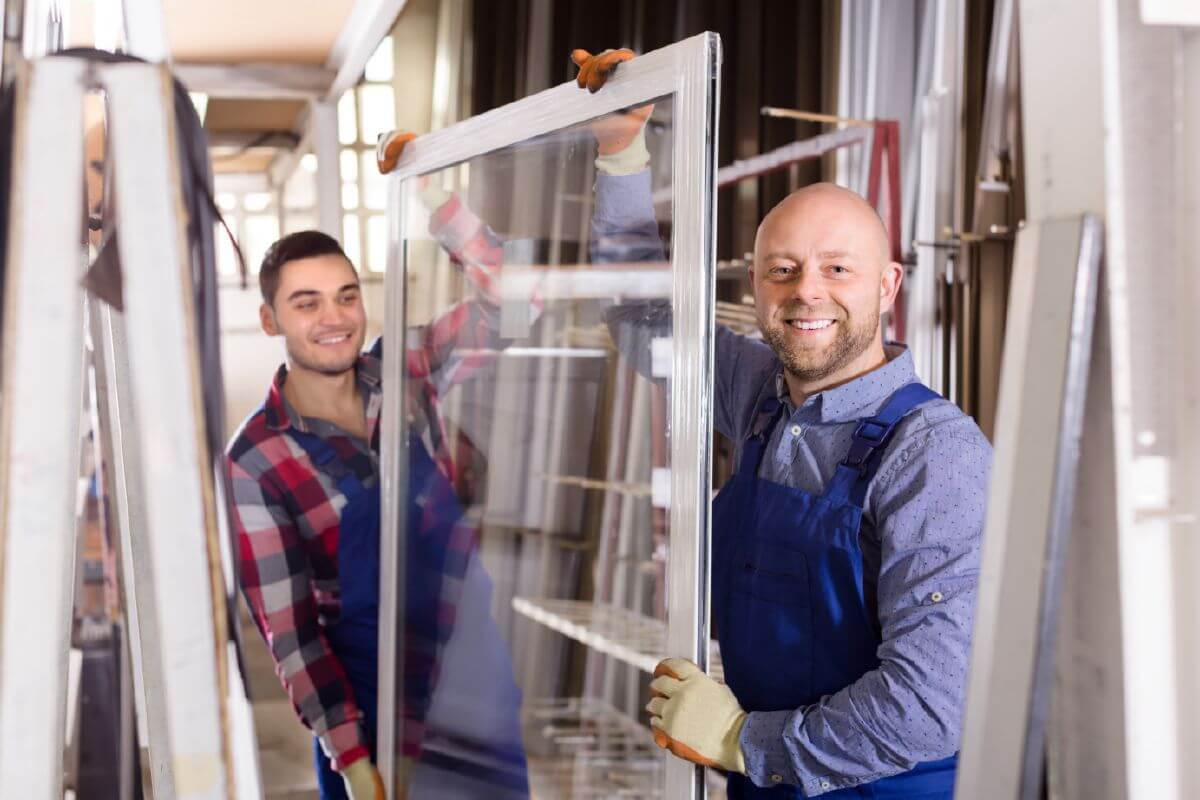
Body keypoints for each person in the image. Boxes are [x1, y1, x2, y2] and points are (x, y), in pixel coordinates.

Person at [570, 49, 992, 798]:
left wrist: (740, 739)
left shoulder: (935, 456)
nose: (808, 294)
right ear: (757, 284)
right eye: (783, 269)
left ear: (888, 286)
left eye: (838, 268)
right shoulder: (762, 394)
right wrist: (620, 152)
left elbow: (933, 704)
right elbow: (641, 316)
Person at [226, 164, 529, 799]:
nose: (334, 317)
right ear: (269, 319)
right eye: (306, 303)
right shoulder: (256, 460)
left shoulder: (405, 371)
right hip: (371, 713)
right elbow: (294, 635)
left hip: (472, 687)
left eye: (346, 295)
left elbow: (516, 300)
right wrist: (355, 760)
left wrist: (437, 197)